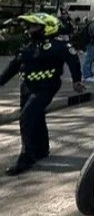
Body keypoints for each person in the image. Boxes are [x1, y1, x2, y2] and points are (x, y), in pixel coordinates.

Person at [0, 13, 85, 175]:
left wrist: (77, 80)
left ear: (47, 27)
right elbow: (13, 66)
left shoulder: (58, 46)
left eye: (33, 26)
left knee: (27, 117)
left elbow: (73, 60)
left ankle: (27, 157)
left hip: (47, 86)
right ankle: (42, 149)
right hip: (26, 87)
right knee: (37, 116)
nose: (29, 30)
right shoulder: (28, 46)